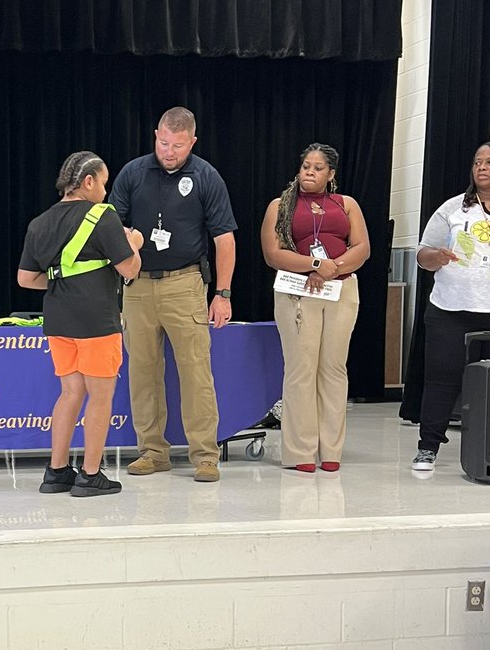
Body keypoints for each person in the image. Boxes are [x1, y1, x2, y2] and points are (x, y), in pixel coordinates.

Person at [109, 107, 236, 483]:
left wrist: (223, 293)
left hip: (186, 283)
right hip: (138, 285)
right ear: (155, 135)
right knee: (142, 372)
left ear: (192, 142)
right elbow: (111, 228)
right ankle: (152, 451)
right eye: (163, 143)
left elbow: (224, 239)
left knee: (196, 371)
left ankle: (205, 455)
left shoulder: (206, 176)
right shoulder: (133, 173)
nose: (169, 151)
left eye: (178, 146)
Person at [17, 151, 141, 497]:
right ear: (88, 182)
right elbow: (130, 269)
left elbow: (26, 278)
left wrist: (65, 281)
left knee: (70, 393)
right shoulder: (103, 216)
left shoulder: (39, 223)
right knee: (100, 397)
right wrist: (134, 243)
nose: (105, 191)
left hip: (58, 320)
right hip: (96, 321)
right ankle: (90, 475)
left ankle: (56, 472)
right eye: (103, 182)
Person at [260, 143, 370, 472]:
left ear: (331, 174)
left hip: (340, 290)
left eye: (318, 168)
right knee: (301, 369)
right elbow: (273, 254)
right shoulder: (280, 206)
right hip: (298, 291)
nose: (310, 172)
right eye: (306, 166)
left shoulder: (346, 204)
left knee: (333, 368)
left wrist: (331, 269)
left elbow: (362, 248)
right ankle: (300, 452)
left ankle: (331, 449)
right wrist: (315, 264)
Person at [411, 142, 490, 472]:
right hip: (450, 309)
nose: (481, 167)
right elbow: (422, 255)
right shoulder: (453, 209)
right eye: (477, 162)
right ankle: (427, 448)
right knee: (441, 380)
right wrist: (436, 257)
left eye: (488, 162)